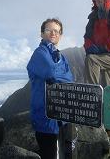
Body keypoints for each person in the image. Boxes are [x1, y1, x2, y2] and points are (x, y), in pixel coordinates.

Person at [27, 18, 74, 159]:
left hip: (62, 117)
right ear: (42, 34)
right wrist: (61, 72)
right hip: (46, 119)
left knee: (65, 154)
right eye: (49, 30)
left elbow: (69, 79)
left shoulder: (60, 56)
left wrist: (59, 73)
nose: (53, 33)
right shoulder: (39, 53)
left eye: (57, 31)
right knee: (51, 155)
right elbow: (51, 74)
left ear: (60, 35)